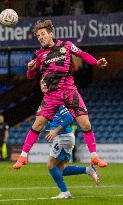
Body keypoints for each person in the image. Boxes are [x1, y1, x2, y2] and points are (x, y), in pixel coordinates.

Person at [13, 19, 108, 169]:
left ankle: (94, 157)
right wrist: (30, 68)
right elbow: (30, 76)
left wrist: (96, 62)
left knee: (85, 123)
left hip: (70, 91)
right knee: (38, 123)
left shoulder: (67, 46)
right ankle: (23, 156)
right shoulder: (38, 55)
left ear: (50, 34)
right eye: (38, 36)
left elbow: (82, 54)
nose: (41, 37)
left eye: (43, 34)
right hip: (51, 94)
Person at [45, 105, 99, 199]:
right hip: (65, 137)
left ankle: (65, 192)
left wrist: (55, 130)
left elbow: (69, 118)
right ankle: (88, 170)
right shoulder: (49, 108)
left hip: (63, 137)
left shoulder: (57, 104)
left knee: (51, 165)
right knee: (60, 170)